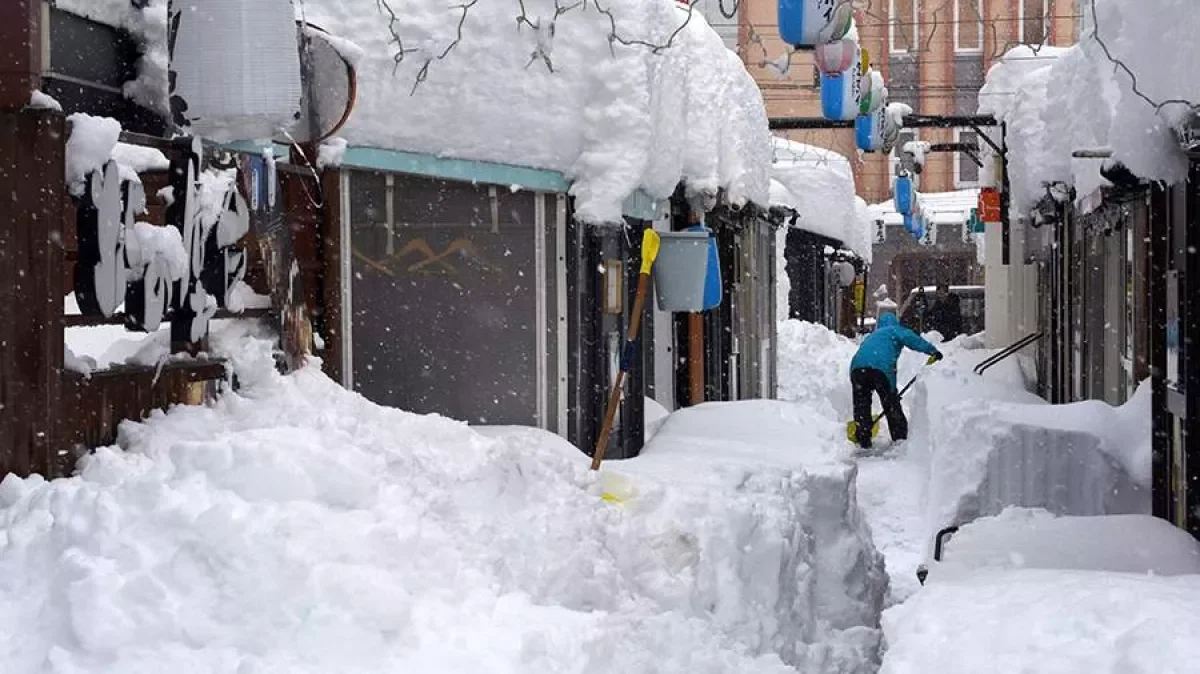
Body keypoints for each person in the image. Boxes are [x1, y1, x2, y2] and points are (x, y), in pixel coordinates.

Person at [849, 313, 942, 449]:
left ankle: (863, 435)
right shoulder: (894, 330)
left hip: (857, 368)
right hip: (880, 368)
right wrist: (933, 351)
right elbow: (912, 339)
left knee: (861, 403)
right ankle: (900, 438)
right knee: (891, 403)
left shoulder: (872, 336)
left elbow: (865, 353)